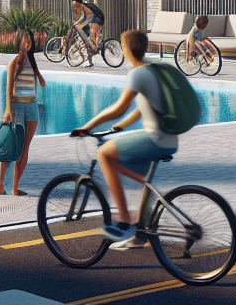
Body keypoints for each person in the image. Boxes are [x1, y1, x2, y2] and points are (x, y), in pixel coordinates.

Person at [71, 30, 181, 247]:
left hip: (155, 138)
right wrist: (121, 126)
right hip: (169, 138)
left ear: (127, 50)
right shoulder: (153, 71)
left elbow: (119, 108)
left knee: (104, 154)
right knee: (145, 181)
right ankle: (141, 235)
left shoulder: (138, 74)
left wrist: (88, 126)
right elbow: (142, 108)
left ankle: (123, 222)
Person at [0, 29, 46, 196]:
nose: (29, 42)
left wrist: (39, 77)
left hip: (32, 107)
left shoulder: (31, 61)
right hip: (17, 107)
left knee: (25, 150)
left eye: (30, 39)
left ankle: (15, 187)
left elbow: (40, 82)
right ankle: (1, 186)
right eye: (26, 40)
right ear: (19, 42)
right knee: (12, 149)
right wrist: (7, 110)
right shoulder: (16, 62)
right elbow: (9, 88)